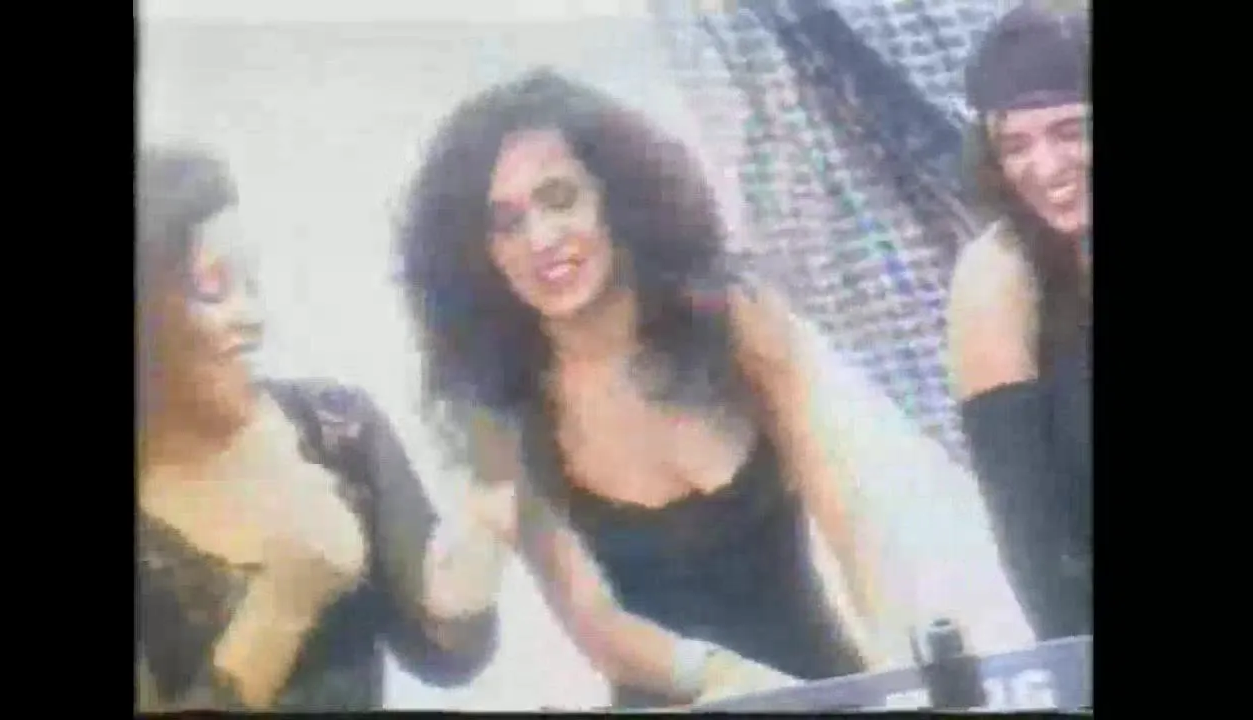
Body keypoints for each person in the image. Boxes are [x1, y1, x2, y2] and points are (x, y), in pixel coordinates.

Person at [395, 69, 885, 709]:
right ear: (477, 254)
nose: (542, 240)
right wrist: (727, 679)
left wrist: (902, 660)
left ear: (615, 197)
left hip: (826, 690)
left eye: (559, 198)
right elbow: (597, 625)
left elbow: (845, 510)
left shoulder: (733, 319)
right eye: (506, 224)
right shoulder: (503, 412)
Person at [135, 146, 503, 710]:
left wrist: (473, 571)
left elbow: (442, 657)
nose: (254, 318)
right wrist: (283, 603)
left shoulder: (337, 426)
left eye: (252, 282)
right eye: (213, 286)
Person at [946, 2, 1091, 642]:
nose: (1048, 168)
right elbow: (1034, 549)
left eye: (1070, 131)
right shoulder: (998, 280)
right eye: (1016, 145)